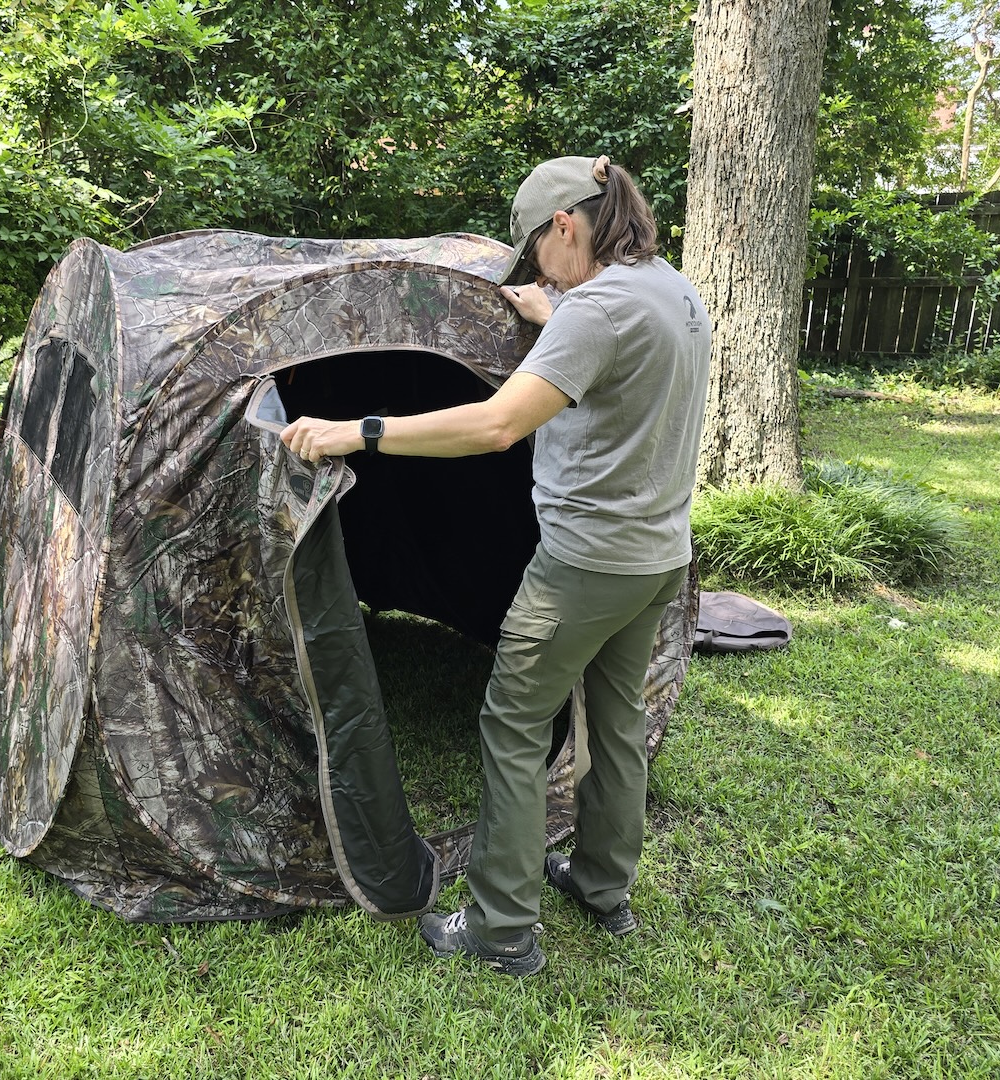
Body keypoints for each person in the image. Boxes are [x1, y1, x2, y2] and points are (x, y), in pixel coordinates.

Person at [280, 156, 711, 976]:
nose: (531, 270)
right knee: (615, 725)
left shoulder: (600, 309)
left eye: (533, 252)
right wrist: (553, 315)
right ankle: (600, 886)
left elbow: (495, 428)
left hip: (584, 564)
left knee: (514, 725)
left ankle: (501, 926)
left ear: (565, 226)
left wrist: (357, 432)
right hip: (658, 558)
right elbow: (615, 370)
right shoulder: (671, 290)